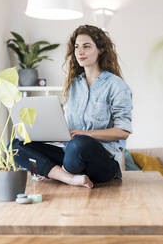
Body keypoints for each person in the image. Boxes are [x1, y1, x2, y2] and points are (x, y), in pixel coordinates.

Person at [11, 25, 133, 188]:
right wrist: (45, 130)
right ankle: (68, 177)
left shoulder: (116, 85)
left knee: (80, 143)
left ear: (101, 49)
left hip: (101, 162)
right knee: (16, 145)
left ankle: (55, 173)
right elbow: (67, 127)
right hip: (70, 156)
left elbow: (123, 132)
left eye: (86, 46)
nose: (80, 52)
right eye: (77, 47)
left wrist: (87, 134)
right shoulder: (73, 85)